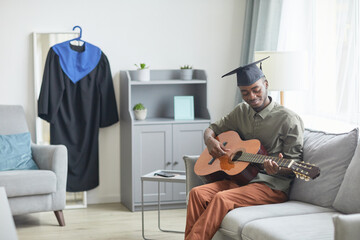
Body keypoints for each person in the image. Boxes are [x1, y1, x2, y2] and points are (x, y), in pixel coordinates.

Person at [184, 57, 304, 240]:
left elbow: (294, 163)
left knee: (221, 199)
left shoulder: (289, 119)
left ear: (266, 84)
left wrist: (280, 167)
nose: (252, 97)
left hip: (271, 186)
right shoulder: (241, 111)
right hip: (242, 179)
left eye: (256, 90)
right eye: (245, 93)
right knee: (197, 193)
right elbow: (212, 129)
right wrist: (209, 141)